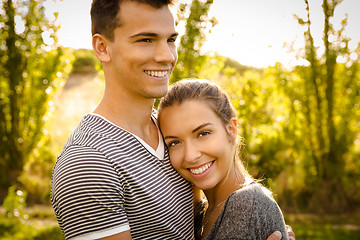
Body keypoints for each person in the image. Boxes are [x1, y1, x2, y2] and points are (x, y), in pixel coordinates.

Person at [51, 0, 294, 239]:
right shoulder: (89, 162)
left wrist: (258, 224)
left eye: (171, 40)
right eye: (146, 40)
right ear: (102, 47)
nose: (166, 56)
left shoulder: (171, 132)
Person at [158, 79, 290, 239]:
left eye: (203, 133)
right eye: (175, 142)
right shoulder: (202, 212)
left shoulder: (245, 203)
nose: (190, 156)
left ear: (231, 130)